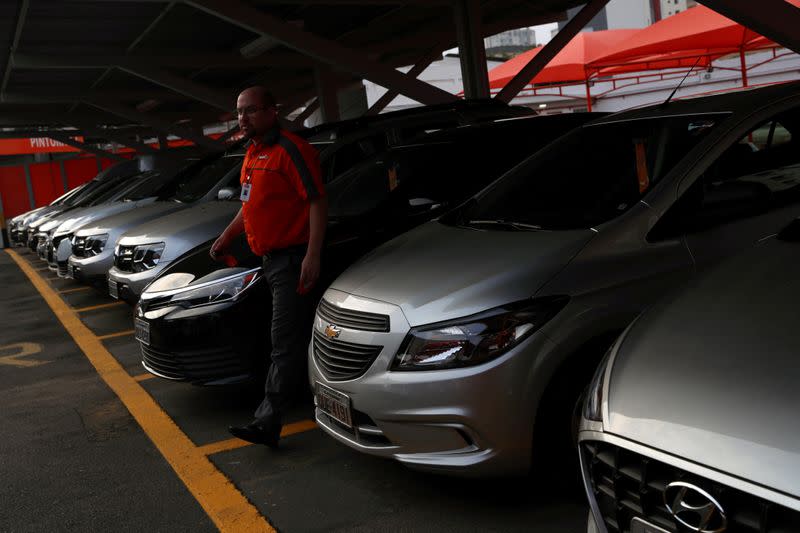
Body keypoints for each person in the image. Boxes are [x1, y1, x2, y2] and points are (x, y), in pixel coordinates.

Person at [211, 86, 327, 448]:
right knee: (287, 339)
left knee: (284, 342)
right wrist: (227, 237)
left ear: (272, 111)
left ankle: (268, 422)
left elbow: (318, 202)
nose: (242, 118)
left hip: (292, 260)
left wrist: (312, 254)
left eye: (251, 111)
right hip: (270, 261)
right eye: (239, 112)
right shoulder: (253, 153)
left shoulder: (291, 150)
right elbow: (249, 205)